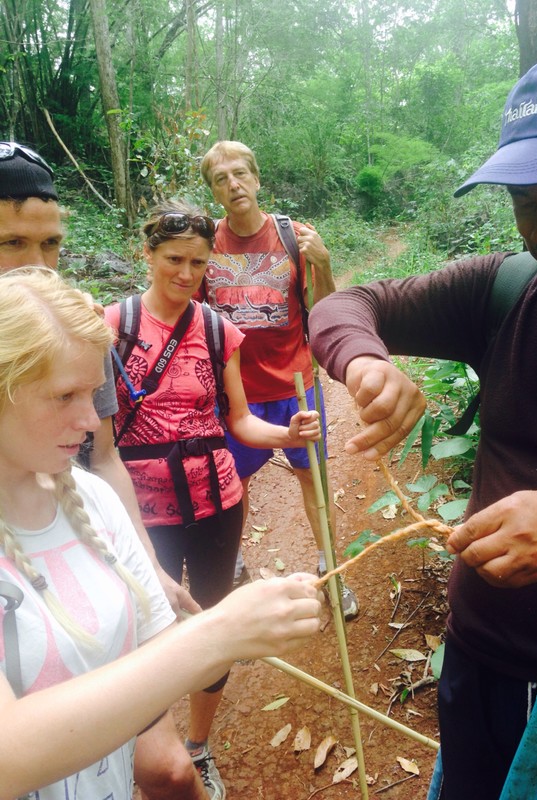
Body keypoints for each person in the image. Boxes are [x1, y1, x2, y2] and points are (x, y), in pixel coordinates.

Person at [309, 46, 537, 800]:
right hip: (484, 663)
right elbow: (346, 306)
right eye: (524, 203)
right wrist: (364, 362)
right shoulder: (505, 291)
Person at [0, 267, 323, 800]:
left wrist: (240, 625)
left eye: (94, 394)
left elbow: (151, 658)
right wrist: (219, 633)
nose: (89, 421)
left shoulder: (93, 498)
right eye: (63, 397)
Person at [104, 199, 321, 800]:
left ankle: (196, 745)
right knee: (136, 625)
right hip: (138, 510)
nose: (185, 273)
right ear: (146, 254)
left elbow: (241, 420)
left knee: (211, 617)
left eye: (198, 263)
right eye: (173, 259)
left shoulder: (219, 330)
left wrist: (287, 435)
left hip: (215, 498)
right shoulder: (111, 327)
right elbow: (97, 444)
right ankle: (144, 738)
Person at [0, 141, 197, 616]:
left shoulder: (74, 329)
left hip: (69, 539)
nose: (37, 267)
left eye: (50, 244)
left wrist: (151, 567)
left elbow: (105, 457)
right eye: (12, 243)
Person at [199, 140, 359, 620]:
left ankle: (331, 570)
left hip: (295, 386)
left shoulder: (295, 237)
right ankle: (235, 570)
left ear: (257, 178)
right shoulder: (206, 243)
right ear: (214, 190)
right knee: (235, 488)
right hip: (236, 393)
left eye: (241, 173)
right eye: (221, 178)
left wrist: (324, 262)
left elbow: (326, 307)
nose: (233, 184)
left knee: (313, 479)